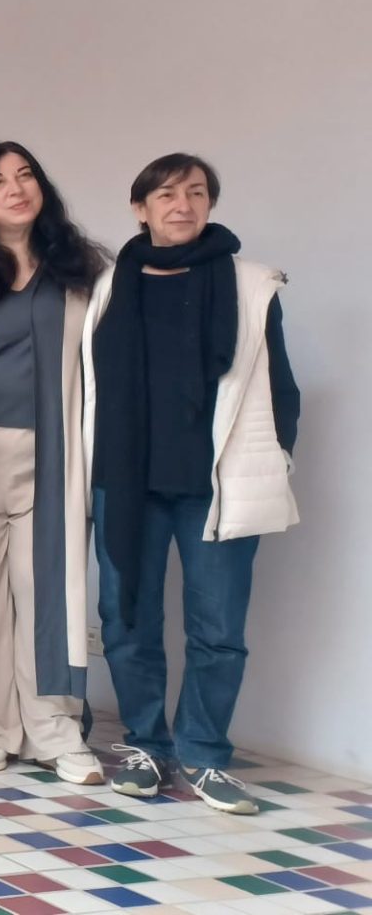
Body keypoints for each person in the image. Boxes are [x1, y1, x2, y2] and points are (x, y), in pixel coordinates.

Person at [83, 153, 299, 815]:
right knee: (127, 620)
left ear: (210, 203)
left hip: (216, 484)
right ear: (140, 207)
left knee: (218, 629)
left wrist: (277, 455)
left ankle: (204, 753)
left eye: (197, 193)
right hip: (127, 481)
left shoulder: (250, 284)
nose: (183, 205)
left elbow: (280, 388)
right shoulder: (110, 285)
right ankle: (146, 745)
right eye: (167, 194)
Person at [0, 142, 108, 786]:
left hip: (54, 454)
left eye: (25, 175)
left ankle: (56, 730)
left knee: (48, 591)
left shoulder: (82, 271)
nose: (15, 188)